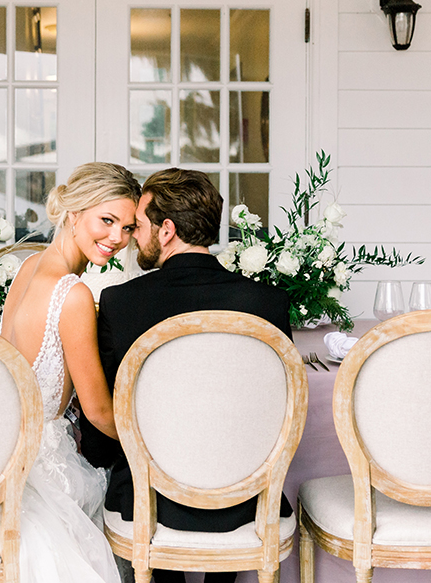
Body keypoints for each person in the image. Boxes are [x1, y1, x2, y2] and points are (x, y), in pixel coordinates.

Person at [81, 168, 294, 583]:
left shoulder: (121, 302)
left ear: (166, 231)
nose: (132, 238)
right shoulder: (268, 302)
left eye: (139, 226)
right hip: (247, 499)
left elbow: (107, 417)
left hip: (149, 500)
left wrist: (97, 463)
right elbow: (280, 413)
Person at [0, 162, 141, 583]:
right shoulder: (72, 293)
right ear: (74, 212)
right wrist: (157, 446)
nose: (117, 238)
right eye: (107, 220)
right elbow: (97, 411)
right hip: (43, 467)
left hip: (8, 449)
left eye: (129, 228)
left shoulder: (29, 267)